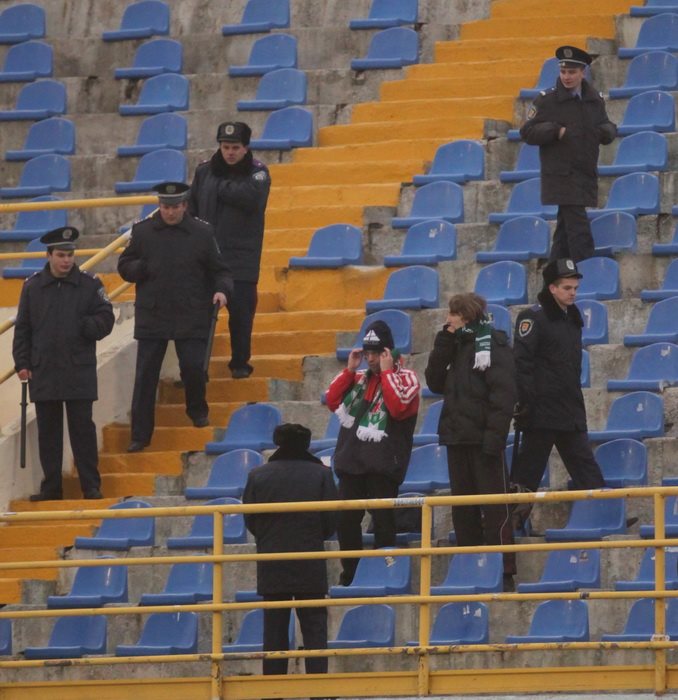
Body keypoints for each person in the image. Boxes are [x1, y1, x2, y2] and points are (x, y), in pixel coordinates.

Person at [118, 182, 232, 453]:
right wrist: (141, 268)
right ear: (160, 206)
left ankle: (197, 410)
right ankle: (140, 435)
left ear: (184, 205)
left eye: (175, 207)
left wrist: (222, 291)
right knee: (145, 377)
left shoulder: (202, 232)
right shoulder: (142, 232)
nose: (170, 212)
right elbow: (124, 266)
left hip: (190, 312)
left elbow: (221, 271)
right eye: (165, 207)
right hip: (153, 314)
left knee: (193, 368)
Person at [12, 226, 114, 501]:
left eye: (70, 255)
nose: (66, 260)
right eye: (61, 255)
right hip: (44, 370)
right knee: (48, 434)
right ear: (48, 255)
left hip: (78, 369)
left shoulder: (90, 285)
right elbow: (23, 329)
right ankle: (52, 488)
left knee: (82, 431)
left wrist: (86, 327)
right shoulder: (32, 287)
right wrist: (22, 363)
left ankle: (90, 486)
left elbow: (106, 318)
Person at [424, 293, 517, 591]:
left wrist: (494, 438)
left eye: (452, 314)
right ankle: (468, 568)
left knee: (495, 508)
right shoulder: (454, 345)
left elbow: (503, 396)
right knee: (463, 511)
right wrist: (443, 343)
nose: (447, 319)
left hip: (484, 441)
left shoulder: (494, 344)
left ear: (464, 316)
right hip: (457, 438)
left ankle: (503, 571)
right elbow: (434, 382)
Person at [325, 320, 420, 586]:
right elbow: (332, 400)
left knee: (383, 523)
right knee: (345, 521)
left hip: (383, 465)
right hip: (351, 463)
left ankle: (382, 575)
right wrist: (349, 370)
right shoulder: (358, 379)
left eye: (376, 353)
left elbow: (399, 408)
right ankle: (351, 576)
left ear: (388, 352)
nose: (370, 358)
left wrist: (388, 374)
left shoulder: (407, 378)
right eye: (367, 353)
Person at [243, 423, 337, 677]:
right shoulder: (321, 474)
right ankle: (319, 687)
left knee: (274, 630)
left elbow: (251, 520)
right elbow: (331, 521)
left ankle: (274, 688)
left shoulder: (258, 475)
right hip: (310, 558)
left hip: (273, 559)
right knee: (315, 628)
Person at [511, 259, 605, 499]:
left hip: (569, 411)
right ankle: (511, 519)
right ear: (552, 288)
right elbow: (522, 363)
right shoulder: (533, 317)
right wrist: (526, 403)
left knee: (588, 473)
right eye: (567, 288)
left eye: (575, 288)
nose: (573, 293)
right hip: (540, 412)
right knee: (525, 479)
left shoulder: (572, 318)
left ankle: (604, 511)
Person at [188, 120, 271, 379]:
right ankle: (196, 369)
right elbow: (192, 208)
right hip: (208, 255)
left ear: (245, 148)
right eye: (225, 147)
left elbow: (250, 199)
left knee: (242, 314)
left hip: (241, 257)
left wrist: (219, 186)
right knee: (199, 316)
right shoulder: (204, 171)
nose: (230, 152)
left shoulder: (258, 173)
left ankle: (240, 363)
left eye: (235, 147)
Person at [520, 45, 617, 262]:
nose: (566, 76)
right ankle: (586, 270)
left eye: (572, 72)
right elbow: (527, 132)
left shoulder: (594, 99)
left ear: (583, 72)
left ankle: (553, 277)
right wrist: (556, 131)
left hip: (584, 171)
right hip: (561, 175)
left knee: (564, 234)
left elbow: (605, 124)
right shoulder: (547, 100)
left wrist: (607, 131)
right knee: (578, 231)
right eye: (563, 71)